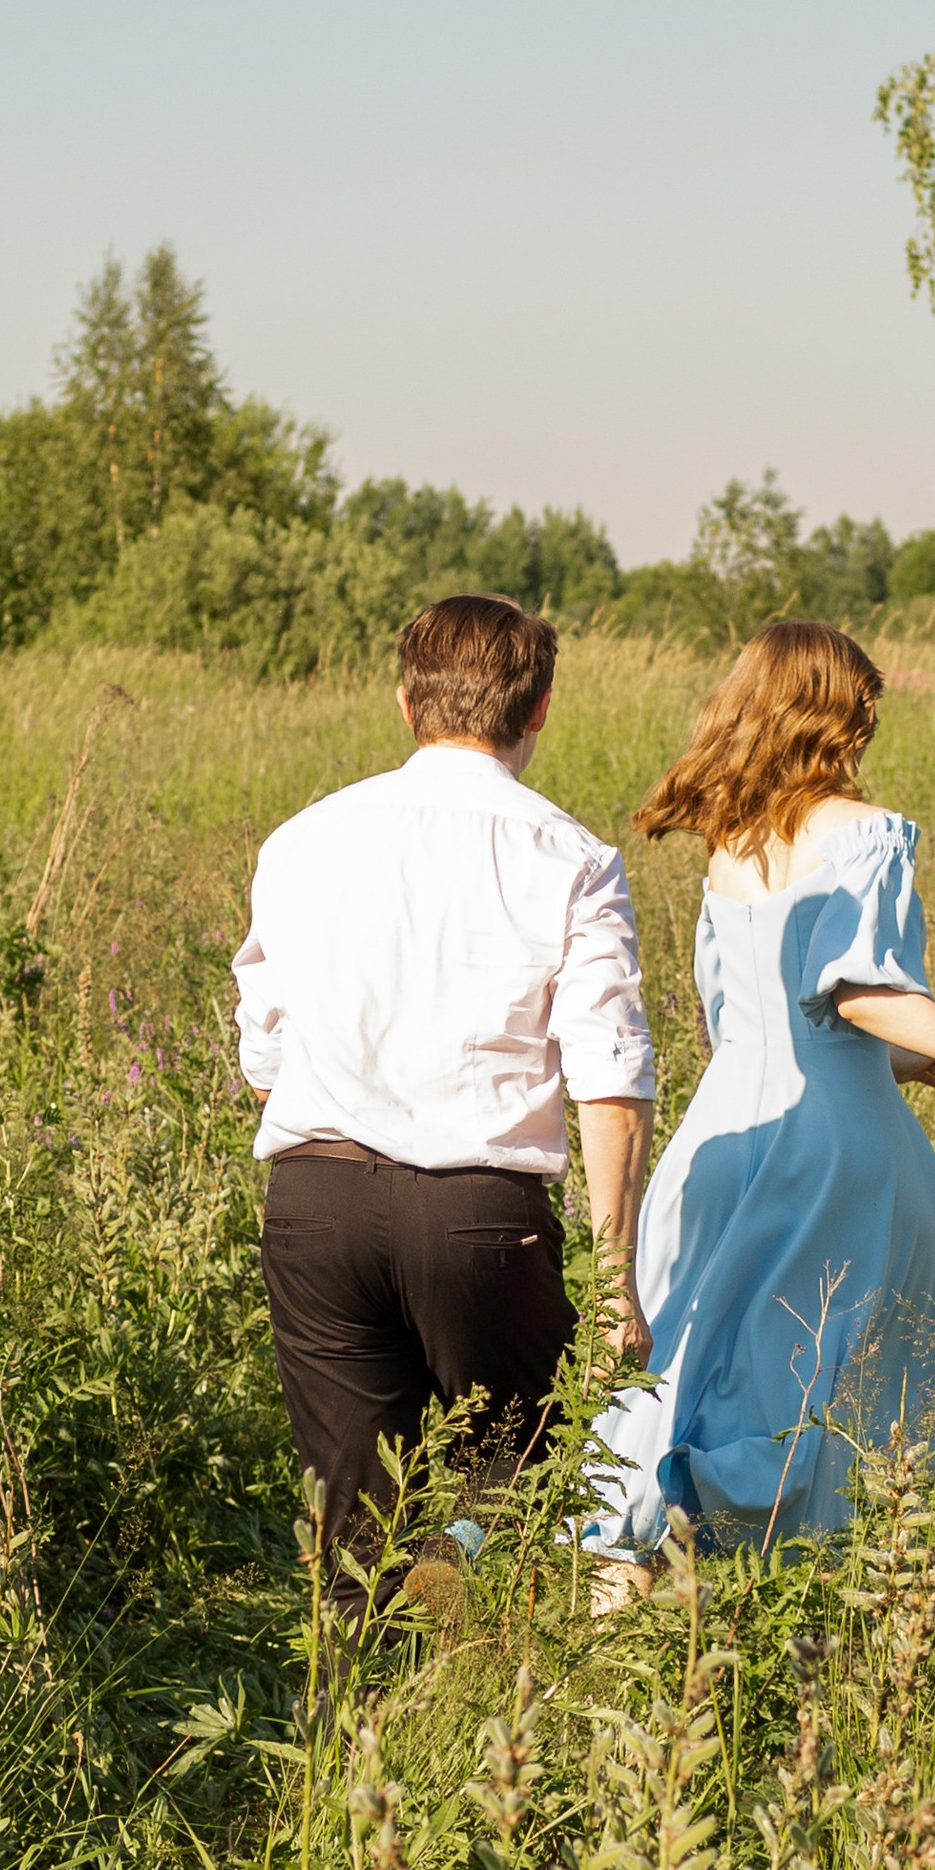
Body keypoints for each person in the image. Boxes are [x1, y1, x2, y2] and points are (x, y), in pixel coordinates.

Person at [584, 616, 935, 1582]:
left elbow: (752, 1022)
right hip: (834, 1150)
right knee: (842, 1362)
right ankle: (826, 1588)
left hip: (723, 1135)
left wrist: (892, 1063)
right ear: (838, 714)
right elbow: (861, 989)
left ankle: (635, 1580)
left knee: (693, 1363)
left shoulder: (726, 846)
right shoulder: (870, 836)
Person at [233, 592, 656, 1622]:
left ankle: (358, 1738)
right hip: (475, 1214)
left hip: (314, 1200)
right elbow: (608, 1075)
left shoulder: (302, 839)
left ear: (403, 700)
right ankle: (473, 1610)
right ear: (541, 707)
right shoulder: (572, 858)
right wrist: (613, 1279)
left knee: (350, 1515)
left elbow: (264, 1061)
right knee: (532, 1456)